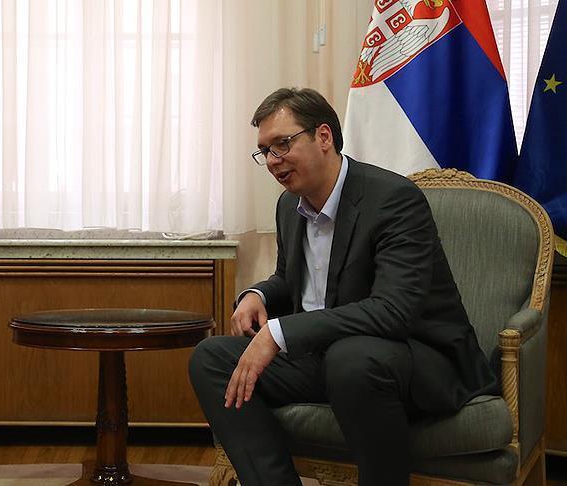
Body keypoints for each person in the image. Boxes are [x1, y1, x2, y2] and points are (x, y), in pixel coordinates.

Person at [188, 88, 498, 486]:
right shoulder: (289, 206)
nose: (273, 160)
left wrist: (280, 333)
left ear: (323, 136)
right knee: (211, 358)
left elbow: (393, 311)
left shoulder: (393, 200)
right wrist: (258, 294)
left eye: (282, 144)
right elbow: (291, 279)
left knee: (351, 359)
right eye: (264, 151)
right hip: (327, 357)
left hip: (413, 358)